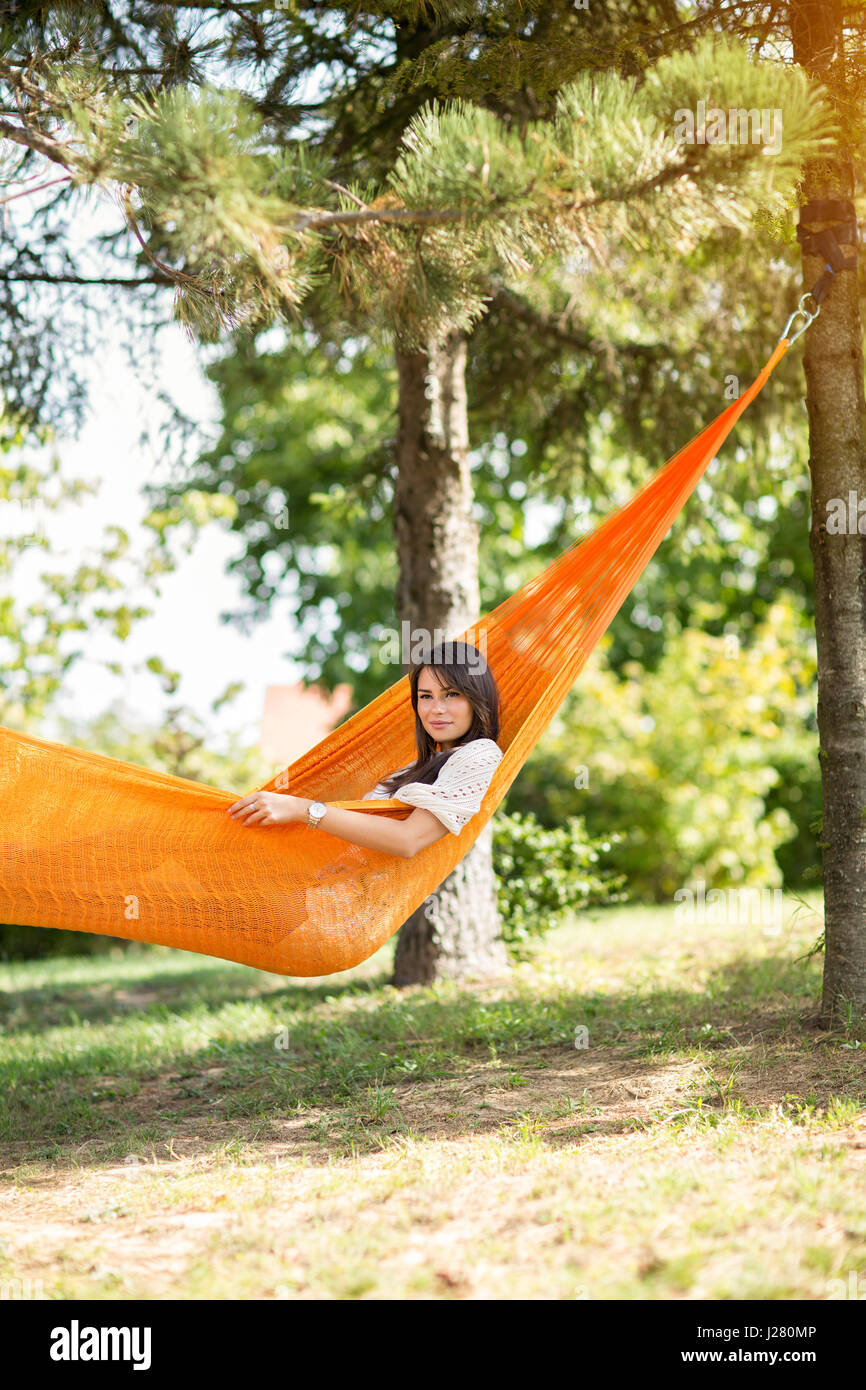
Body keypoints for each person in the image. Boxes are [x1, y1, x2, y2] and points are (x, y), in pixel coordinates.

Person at [226, 641, 503, 859]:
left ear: (476, 698)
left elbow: (408, 840)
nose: (436, 709)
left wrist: (303, 809)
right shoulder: (416, 768)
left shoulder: (480, 754)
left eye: (451, 694)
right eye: (426, 697)